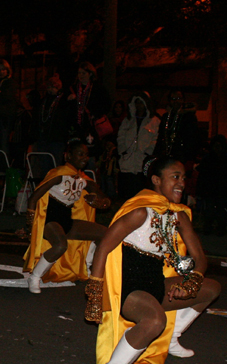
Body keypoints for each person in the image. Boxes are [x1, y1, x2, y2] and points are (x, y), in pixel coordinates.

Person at [86, 156, 221, 364]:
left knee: (211, 288)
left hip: (155, 285)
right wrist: (95, 290)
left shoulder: (179, 216)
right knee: (155, 320)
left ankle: (173, 337)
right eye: (175, 177)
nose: (181, 183)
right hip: (128, 289)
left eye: (183, 178)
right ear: (156, 180)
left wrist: (190, 284)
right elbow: (104, 247)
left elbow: (200, 258)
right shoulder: (141, 211)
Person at [23, 139, 111, 293]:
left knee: (105, 234)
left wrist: (99, 202)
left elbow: (105, 200)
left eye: (86, 155)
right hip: (49, 220)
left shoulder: (84, 180)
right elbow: (33, 198)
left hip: (67, 221)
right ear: (68, 156)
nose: (85, 158)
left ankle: (87, 266)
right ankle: (35, 276)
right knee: (60, 245)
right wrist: (31, 224)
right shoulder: (58, 174)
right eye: (80, 154)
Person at [116, 93, 160, 202]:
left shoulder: (154, 121)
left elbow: (156, 138)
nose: (139, 106)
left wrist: (148, 152)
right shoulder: (128, 120)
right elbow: (120, 136)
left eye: (141, 103)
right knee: (126, 193)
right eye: (137, 103)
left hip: (143, 162)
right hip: (127, 161)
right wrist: (122, 150)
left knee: (142, 193)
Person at [196, 135, 227, 236]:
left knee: (221, 210)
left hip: (221, 190)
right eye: (215, 146)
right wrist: (200, 190)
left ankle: (221, 228)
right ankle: (208, 227)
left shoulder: (226, 161)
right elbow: (202, 176)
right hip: (209, 189)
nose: (217, 148)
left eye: (219, 146)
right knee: (209, 210)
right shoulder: (207, 160)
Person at [67, 61, 110, 152]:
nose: (81, 75)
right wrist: (70, 100)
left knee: (91, 151)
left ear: (90, 74)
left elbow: (106, 105)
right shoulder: (73, 89)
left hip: (91, 126)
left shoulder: (97, 89)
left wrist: (95, 114)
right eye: (79, 73)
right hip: (76, 127)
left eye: (83, 73)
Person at [30, 74, 68, 177]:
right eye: (49, 87)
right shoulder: (43, 102)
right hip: (43, 139)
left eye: (54, 87)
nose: (51, 90)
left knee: (56, 167)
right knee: (44, 168)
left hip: (56, 140)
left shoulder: (62, 102)